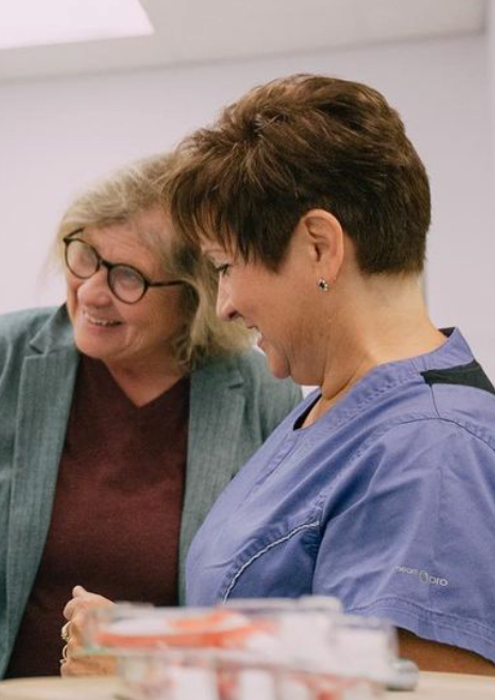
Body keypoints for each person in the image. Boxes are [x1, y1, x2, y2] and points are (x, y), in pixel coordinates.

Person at [0, 153, 301, 699]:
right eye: (84, 256)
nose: (90, 291)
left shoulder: (260, 393)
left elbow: (274, 585)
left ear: (194, 297)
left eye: (127, 276)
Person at [165, 74, 495, 674]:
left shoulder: (432, 449)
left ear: (319, 246)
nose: (224, 306)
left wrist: (157, 673)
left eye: (226, 266)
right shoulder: (327, 408)